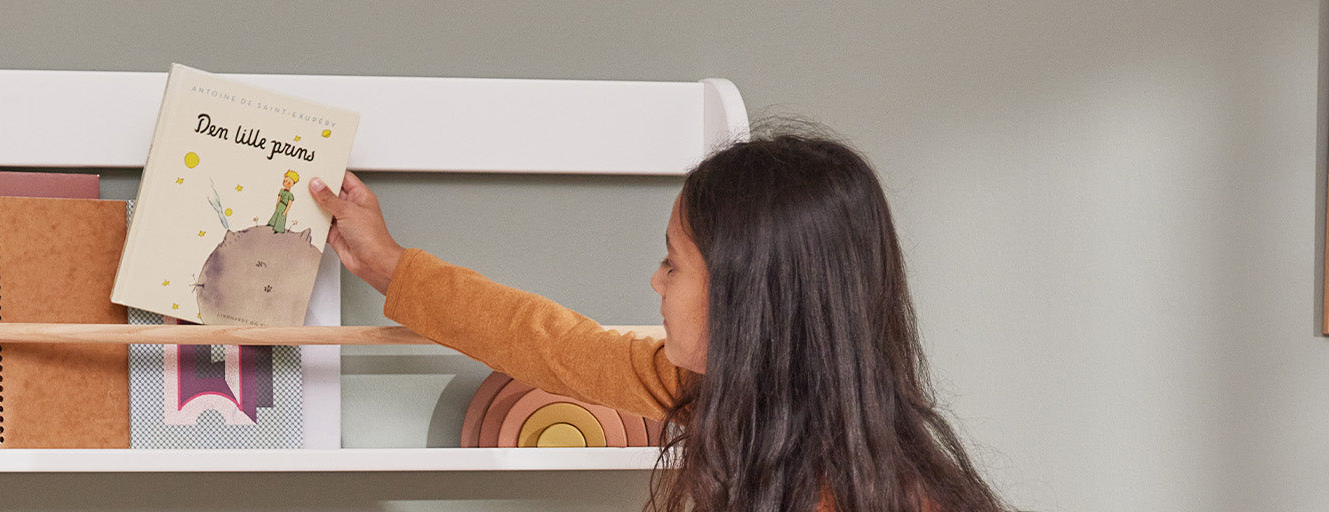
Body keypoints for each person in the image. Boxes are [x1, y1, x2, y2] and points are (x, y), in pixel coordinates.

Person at [309, 124, 1010, 512]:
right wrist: (388, 266)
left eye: (672, 264)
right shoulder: (720, 395)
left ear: (747, 300)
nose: (654, 280)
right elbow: (553, 344)